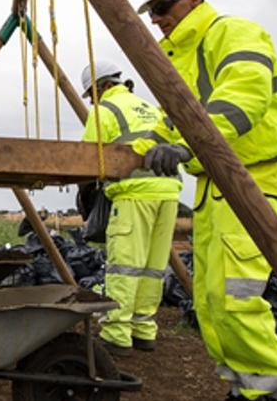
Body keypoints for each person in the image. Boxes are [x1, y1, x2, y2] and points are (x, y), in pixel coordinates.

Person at [134, 0, 277, 401]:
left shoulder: (234, 32)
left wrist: (190, 146)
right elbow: (170, 125)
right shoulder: (181, 59)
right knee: (210, 304)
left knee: (235, 300)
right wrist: (124, 156)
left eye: (163, 6)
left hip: (252, 181)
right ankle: (243, 390)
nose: (156, 19)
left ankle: (272, 394)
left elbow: (243, 98)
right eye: (151, 11)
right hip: (216, 188)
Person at [80, 61, 183, 357]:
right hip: (168, 193)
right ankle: (143, 329)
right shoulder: (149, 107)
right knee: (152, 267)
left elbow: (88, 159)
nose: (91, 101)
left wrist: (85, 197)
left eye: (90, 95)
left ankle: (116, 333)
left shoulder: (105, 111)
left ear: (101, 87)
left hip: (133, 194)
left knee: (124, 265)